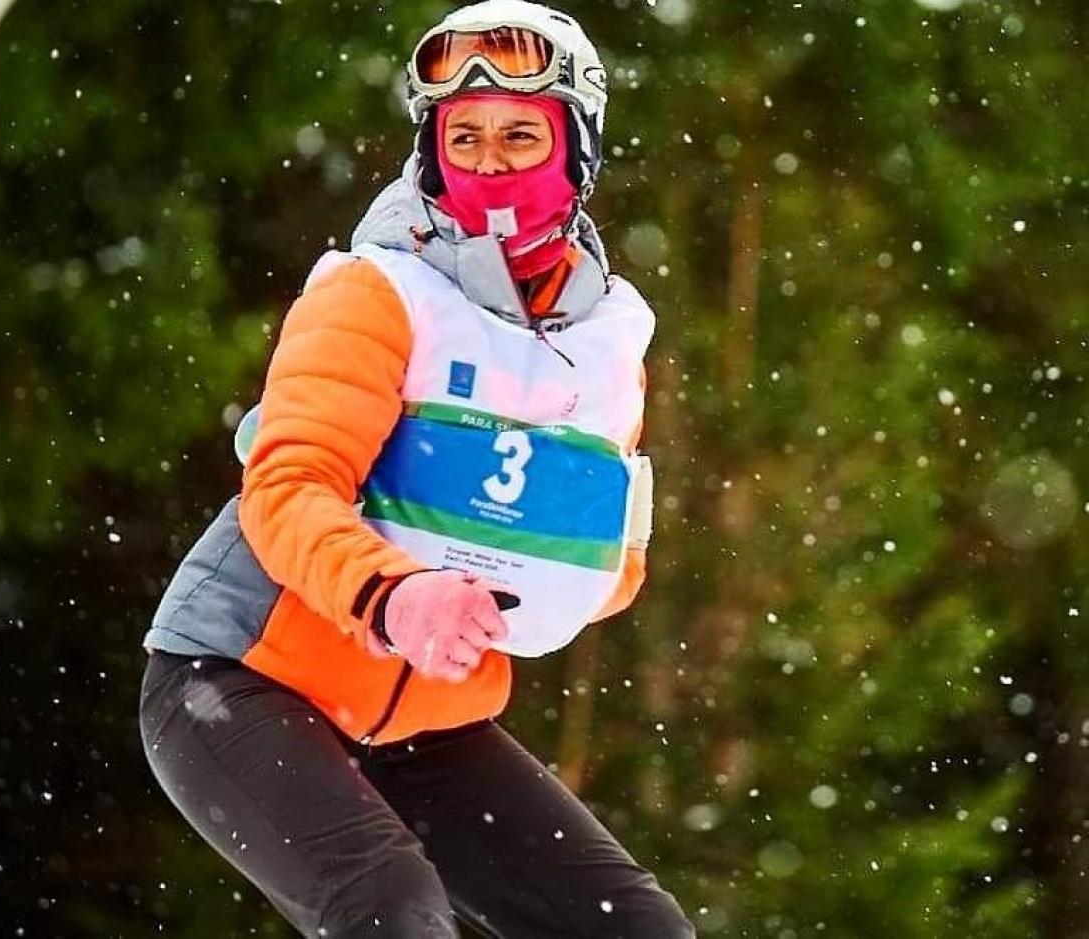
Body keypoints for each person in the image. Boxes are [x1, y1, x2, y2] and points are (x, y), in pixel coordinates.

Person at [138, 1, 695, 936]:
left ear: (578, 150)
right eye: (463, 136)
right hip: (238, 679)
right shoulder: (378, 292)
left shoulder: (603, 339)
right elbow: (287, 489)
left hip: (416, 720)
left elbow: (604, 558)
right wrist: (397, 596)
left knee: (631, 926)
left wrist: (570, 573)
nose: (488, 161)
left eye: (522, 135)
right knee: (388, 906)